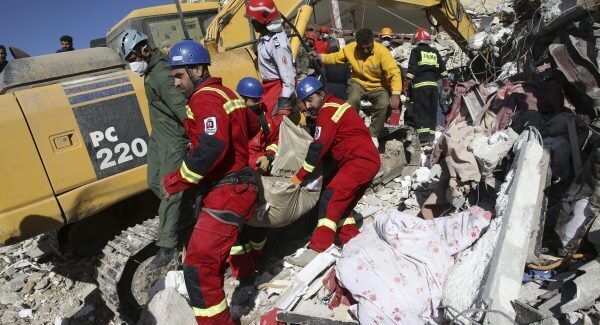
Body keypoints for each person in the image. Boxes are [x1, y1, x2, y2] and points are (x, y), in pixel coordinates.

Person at [163, 40, 258, 324]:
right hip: (238, 185)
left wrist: (177, 180)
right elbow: (254, 126)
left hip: (229, 189)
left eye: (179, 75)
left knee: (198, 267)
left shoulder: (203, 98)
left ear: (197, 69)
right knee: (212, 260)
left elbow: (212, 145)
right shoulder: (228, 93)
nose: (176, 83)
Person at [287, 77, 381, 267]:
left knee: (330, 198)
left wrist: (299, 177)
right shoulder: (336, 105)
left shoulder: (327, 111)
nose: (308, 106)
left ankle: (317, 249)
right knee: (343, 206)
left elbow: (318, 147)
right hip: (365, 161)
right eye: (304, 103)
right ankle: (353, 241)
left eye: (310, 100)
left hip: (358, 162)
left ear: (321, 94)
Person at [117, 29, 189, 268]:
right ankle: (185, 213)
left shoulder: (162, 75)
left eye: (132, 59)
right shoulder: (151, 72)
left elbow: (182, 108)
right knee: (153, 182)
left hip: (172, 140)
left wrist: (195, 135)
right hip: (158, 137)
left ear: (144, 50)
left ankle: (167, 245)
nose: (132, 65)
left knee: (170, 189)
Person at [315, 28, 402, 147]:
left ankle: (373, 134)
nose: (365, 50)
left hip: (377, 86)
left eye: (368, 47)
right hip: (357, 83)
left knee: (384, 103)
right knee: (352, 101)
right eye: (362, 47)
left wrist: (396, 93)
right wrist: (321, 57)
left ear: (373, 41)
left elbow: (394, 72)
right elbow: (336, 57)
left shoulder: (382, 52)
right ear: (357, 44)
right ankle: (351, 130)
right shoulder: (351, 48)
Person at [245, 0, 295, 117]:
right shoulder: (265, 35)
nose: (252, 22)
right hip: (268, 86)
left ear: (264, 18)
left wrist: (284, 102)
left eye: (254, 19)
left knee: (270, 122)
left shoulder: (278, 43)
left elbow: (288, 76)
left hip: (278, 87)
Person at [405, 28, 448, 142]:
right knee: (431, 111)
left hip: (420, 87)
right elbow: (443, 70)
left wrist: (405, 85)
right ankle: (431, 137)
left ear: (417, 40)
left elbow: (412, 70)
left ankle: (423, 139)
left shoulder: (416, 51)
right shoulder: (435, 52)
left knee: (421, 111)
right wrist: (446, 84)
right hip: (433, 87)